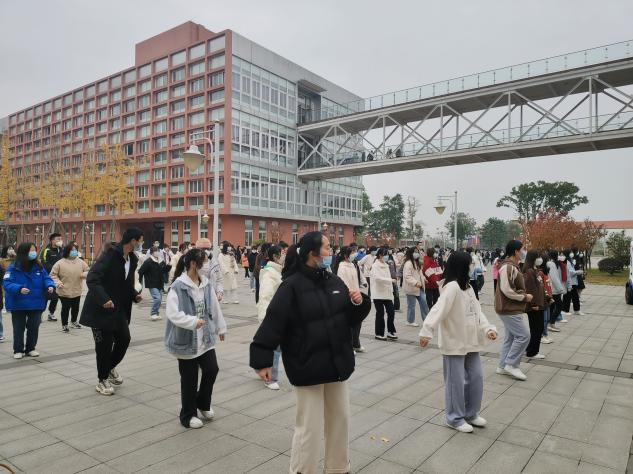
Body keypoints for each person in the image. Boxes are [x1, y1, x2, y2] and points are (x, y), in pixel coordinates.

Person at [249, 231, 370, 474]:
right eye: (326, 247)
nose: (330, 252)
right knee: (309, 427)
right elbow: (273, 322)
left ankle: (338, 468)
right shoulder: (291, 286)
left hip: (337, 363)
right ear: (312, 253)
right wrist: (262, 359)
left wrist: (359, 302)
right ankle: (303, 470)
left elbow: (348, 318)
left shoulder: (333, 281)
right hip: (307, 364)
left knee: (340, 419)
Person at [419, 251, 497, 433]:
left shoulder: (467, 287)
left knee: (476, 378)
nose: (472, 266)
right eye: (470, 264)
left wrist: (488, 328)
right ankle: (454, 418)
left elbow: (477, 311)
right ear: (462, 266)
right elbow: (438, 309)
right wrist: (426, 331)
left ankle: (470, 413)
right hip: (454, 342)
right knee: (455, 382)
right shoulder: (452, 287)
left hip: (471, 341)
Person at [165, 248, 227, 429]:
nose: (207, 267)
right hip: (186, 340)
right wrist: (192, 322)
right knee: (189, 380)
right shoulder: (178, 286)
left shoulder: (206, 284)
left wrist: (221, 327)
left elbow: (214, 307)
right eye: (204, 263)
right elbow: (172, 314)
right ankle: (188, 415)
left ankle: (203, 403)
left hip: (205, 338)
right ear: (193, 264)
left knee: (212, 369)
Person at [79, 228, 144, 396]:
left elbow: (126, 284)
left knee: (124, 339)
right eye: (140, 240)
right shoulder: (110, 255)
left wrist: (134, 295)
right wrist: (104, 299)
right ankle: (102, 380)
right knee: (104, 346)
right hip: (100, 309)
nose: (141, 243)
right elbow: (92, 278)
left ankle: (108, 368)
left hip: (118, 309)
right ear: (133, 241)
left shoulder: (132, 259)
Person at [3, 243, 56, 358]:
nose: (34, 253)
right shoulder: (13, 267)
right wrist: (19, 288)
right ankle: (18, 350)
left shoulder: (39, 266)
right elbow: (7, 283)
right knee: (18, 328)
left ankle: (30, 348)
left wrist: (50, 285)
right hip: (18, 302)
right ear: (23, 252)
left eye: (34, 250)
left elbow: (46, 278)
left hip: (36, 302)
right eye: (31, 250)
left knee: (34, 327)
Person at [495, 240, 533, 381]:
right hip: (509, 308)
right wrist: (524, 297)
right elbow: (507, 290)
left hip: (509, 308)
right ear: (516, 251)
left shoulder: (512, 266)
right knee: (524, 336)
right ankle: (511, 364)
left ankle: (502, 366)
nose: (523, 252)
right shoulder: (507, 267)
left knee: (510, 338)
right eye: (522, 249)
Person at [256, 245, 284, 389]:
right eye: (282, 253)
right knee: (275, 348)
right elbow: (265, 297)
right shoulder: (269, 273)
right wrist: (266, 318)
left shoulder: (278, 271)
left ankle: (259, 368)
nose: (284, 255)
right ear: (275, 256)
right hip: (272, 316)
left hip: (280, 315)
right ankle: (270, 378)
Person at [335, 246, 369, 353]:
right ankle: (349, 345)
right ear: (346, 255)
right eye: (352, 252)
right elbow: (343, 283)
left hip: (357, 296)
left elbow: (358, 276)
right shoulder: (342, 267)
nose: (355, 254)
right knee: (349, 323)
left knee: (358, 321)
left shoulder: (352, 264)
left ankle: (356, 344)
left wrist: (363, 283)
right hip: (348, 297)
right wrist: (350, 294)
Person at [50, 242, 89, 333]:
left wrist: (83, 274)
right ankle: (64, 325)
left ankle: (74, 321)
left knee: (76, 307)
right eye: (72, 250)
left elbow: (88, 270)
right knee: (66, 308)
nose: (74, 252)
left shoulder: (80, 262)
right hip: (64, 290)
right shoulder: (60, 263)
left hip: (76, 289)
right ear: (67, 251)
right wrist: (58, 283)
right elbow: (53, 275)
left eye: (75, 250)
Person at [523, 250, 546, 360]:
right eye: (538, 257)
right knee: (536, 329)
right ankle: (532, 352)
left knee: (538, 328)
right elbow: (530, 289)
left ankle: (530, 348)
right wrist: (534, 304)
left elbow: (540, 287)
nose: (540, 259)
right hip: (534, 306)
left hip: (539, 304)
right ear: (533, 258)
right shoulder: (529, 271)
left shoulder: (535, 270)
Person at [371, 247, 398, 340]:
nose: (386, 256)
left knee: (391, 312)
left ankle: (391, 331)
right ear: (380, 255)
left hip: (387, 293)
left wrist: (391, 289)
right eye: (385, 255)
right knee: (380, 313)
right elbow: (377, 278)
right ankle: (379, 333)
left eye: (387, 255)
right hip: (378, 293)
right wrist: (390, 280)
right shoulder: (375, 266)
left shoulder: (386, 265)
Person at [138, 246, 171, 321]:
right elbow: (140, 271)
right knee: (157, 298)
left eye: (158, 251)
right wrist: (139, 283)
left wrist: (169, 266)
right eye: (155, 251)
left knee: (160, 299)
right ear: (152, 253)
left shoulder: (160, 261)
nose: (157, 253)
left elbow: (163, 271)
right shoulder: (148, 261)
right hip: (152, 283)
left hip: (160, 283)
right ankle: (153, 313)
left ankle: (156, 314)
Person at [403, 247, 430, 327]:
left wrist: (424, 279)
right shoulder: (408, 263)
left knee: (424, 303)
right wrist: (415, 283)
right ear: (411, 253)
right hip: (411, 287)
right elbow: (407, 276)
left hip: (419, 287)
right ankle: (410, 321)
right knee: (411, 305)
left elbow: (420, 273)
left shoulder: (416, 262)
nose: (417, 253)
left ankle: (427, 320)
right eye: (415, 252)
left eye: (417, 252)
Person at [41, 233, 64, 321]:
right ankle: (40, 313)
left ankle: (51, 313)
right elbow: (45, 263)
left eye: (60, 239)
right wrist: (55, 270)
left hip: (58, 278)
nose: (60, 241)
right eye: (58, 239)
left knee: (55, 297)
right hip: (48, 278)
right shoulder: (46, 251)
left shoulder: (61, 250)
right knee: (46, 296)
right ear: (52, 240)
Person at [546, 250, 565, 333]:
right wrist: (560, 289)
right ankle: (551, 323)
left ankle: (550, 323)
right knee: (559, 306)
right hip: (554, 290)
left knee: (552, 307)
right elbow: (554, 278)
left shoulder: (553, 263)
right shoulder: (551, 264)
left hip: (553, 289)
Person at [562, 249, 584, 316]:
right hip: (569, 282)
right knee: (568, 296)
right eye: (570, 252)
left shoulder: (570, 261)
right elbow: (569, 272)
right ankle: (565, 310)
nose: (572, 254)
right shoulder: (567, 262)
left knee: (574, 296)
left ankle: (576, 310)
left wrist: (576, 272)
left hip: (573, 282)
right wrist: (577, 272)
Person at [539, 253, 554, 345]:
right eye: (548, 260)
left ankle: (545, 334)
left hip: (548, 298)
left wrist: (550, 296)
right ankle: (541, 336)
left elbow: (548, 285)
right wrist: (547, 296)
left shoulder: (546, 271)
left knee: (547, 318)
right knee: (544, 319)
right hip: (544, 299)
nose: (549, 262)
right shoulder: (540, 273)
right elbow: (542, 287)